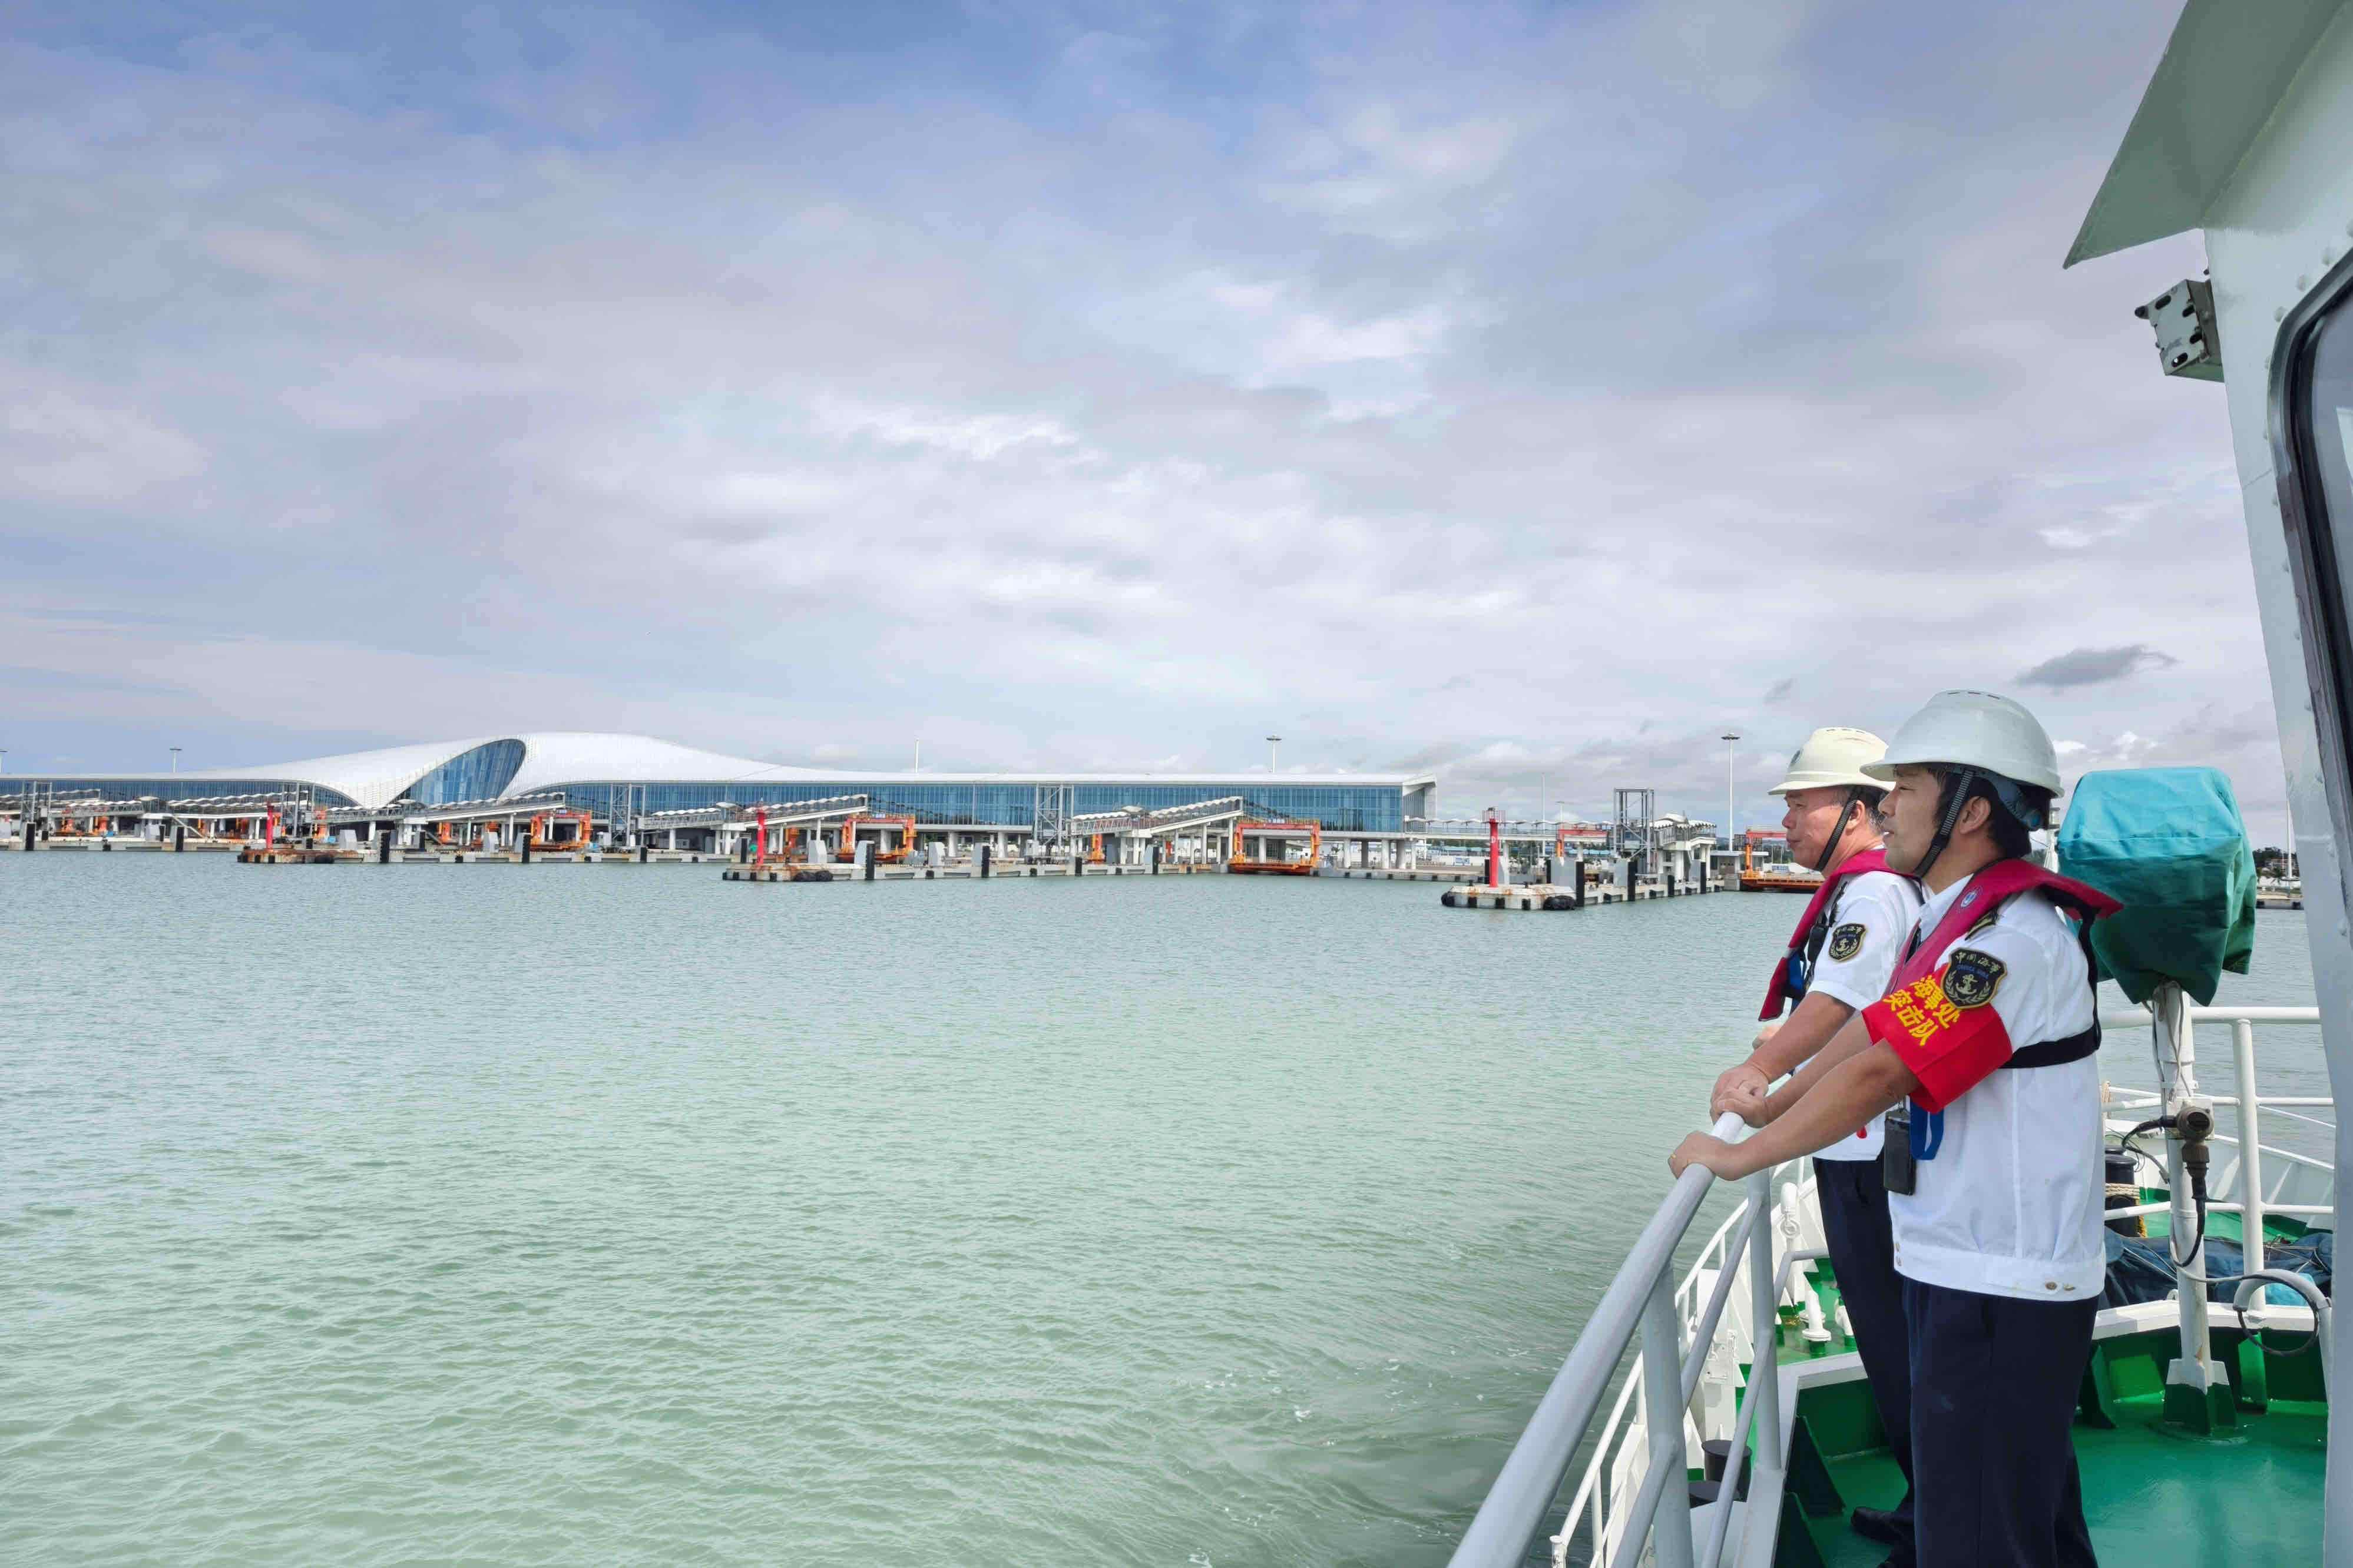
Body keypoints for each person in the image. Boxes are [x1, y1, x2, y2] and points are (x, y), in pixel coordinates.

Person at [1670, 690, 2118, 1568]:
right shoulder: (1964, 925)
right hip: (1972, 1261)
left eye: (1905, 790)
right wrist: (1776, 1101)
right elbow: (1877, 1033)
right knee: (2022, 1521)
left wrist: (1741, 1156)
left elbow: (1885, 1073)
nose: (1885, 810)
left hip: (1999, 1275)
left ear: (1971, 812)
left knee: (1981, 1536)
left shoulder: (2008, 945)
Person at [1709, 727, 1922, 1564]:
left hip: (1868, 1151)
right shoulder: (1873, 890)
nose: (1789, 822)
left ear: (1861, 810)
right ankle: (1928, 1506)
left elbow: (1841, 1005)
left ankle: (1936, 1520)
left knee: (1896, 1338)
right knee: (1893, 1337)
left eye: (1804, 805)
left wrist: (1758, 1074)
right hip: (1861, 1142)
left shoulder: (1872, 895)